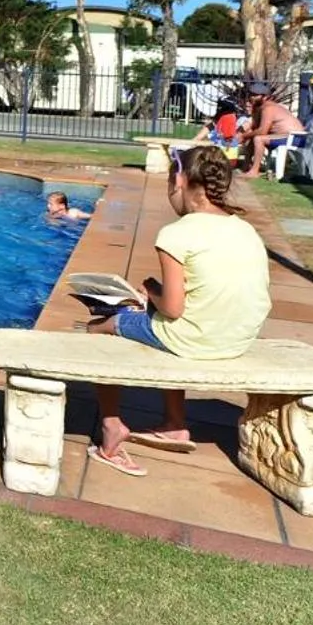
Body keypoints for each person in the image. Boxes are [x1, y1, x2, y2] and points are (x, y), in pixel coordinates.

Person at [82, 146, 270, 477]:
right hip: (238, 337)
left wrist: (150, 290)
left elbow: (172, 307)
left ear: (180, 180)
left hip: (194, 339)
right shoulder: (244, 228)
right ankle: (174, 423)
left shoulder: (176, 233)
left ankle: (111, 429)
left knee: (102, 327)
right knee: (163, 322)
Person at [236, 90, 303, 178]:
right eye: (251, 94)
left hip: (294, 138)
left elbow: (262, 131)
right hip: (284, 136)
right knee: (254, 137)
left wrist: (244, 136)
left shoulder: (268, 108)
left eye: (256, 95)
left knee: (258, 139)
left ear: (265, 96)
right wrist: (244, 134)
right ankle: (246, 166)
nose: (252, 97)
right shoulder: (261, 108)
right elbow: (255, 127)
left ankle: (254, 171)